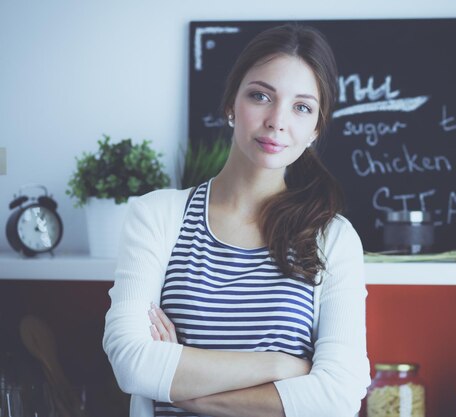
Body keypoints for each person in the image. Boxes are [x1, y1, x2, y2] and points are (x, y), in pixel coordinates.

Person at [103, 23, 370, 417]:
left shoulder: (333, 239)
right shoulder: (156, 216)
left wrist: (182, 386)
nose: (277, 121)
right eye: (261, 96)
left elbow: (338, 396)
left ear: (316, 128)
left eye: (301, 107)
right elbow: (131, 362)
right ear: (231, 103)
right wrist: (280, 365)